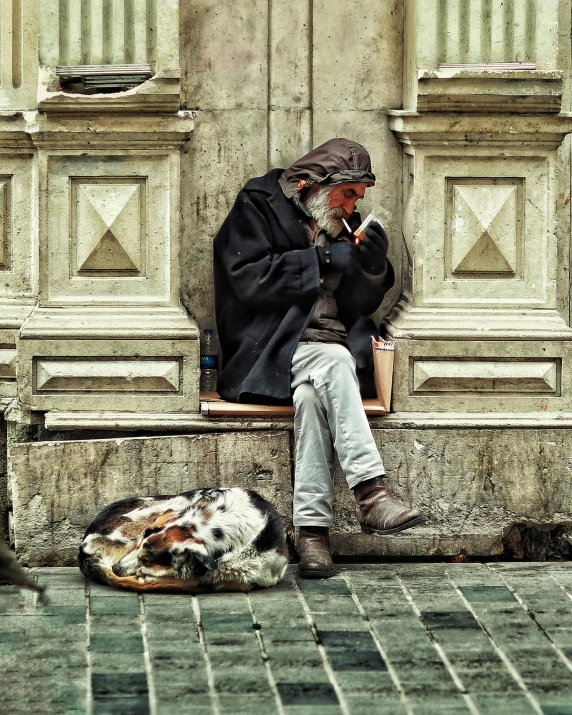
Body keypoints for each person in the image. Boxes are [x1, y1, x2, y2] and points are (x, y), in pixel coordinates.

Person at [213, 138, 426, 579]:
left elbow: (358, 307)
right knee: (332, 363)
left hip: (327, 350)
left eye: (357, 198)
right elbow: (247, 279)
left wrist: (370, 265)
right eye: (347, 194)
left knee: (312, 398)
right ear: (311, 184)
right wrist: (323, 257)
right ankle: (371, 493)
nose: (351, 207)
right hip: (268, 349)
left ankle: (312, 536)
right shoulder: (259, 204)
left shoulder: (340, 224)